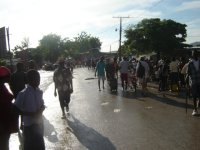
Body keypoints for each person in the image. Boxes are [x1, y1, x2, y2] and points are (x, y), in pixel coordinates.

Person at [14, 69, 45, 150]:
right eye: (36, 78)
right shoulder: (23, 93)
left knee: (40, 146)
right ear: (29, 80)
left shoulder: (39, 91)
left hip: (39, 124)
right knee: (29, 146)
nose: (38, 80)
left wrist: (42, 109)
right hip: (29, 126)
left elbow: (42, 105)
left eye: (39, 78)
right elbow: (14, 109)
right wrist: (29, 114)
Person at [0, 66, 16, 150]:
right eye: (8, 77)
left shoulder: (2, 86)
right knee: (4, 144)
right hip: (3, 123)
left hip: (5, 121)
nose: (9, 79)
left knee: (5, 143)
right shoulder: (1, 88)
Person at [187, 50, 200, 116]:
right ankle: (195, 109)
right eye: (193, 54)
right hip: (194, 82)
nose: (194, 55)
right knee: (194, 96)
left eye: (195, 54)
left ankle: (198, 103)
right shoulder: (190, 63)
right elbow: (188, 73)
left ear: (198, 54)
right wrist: (187, 82)